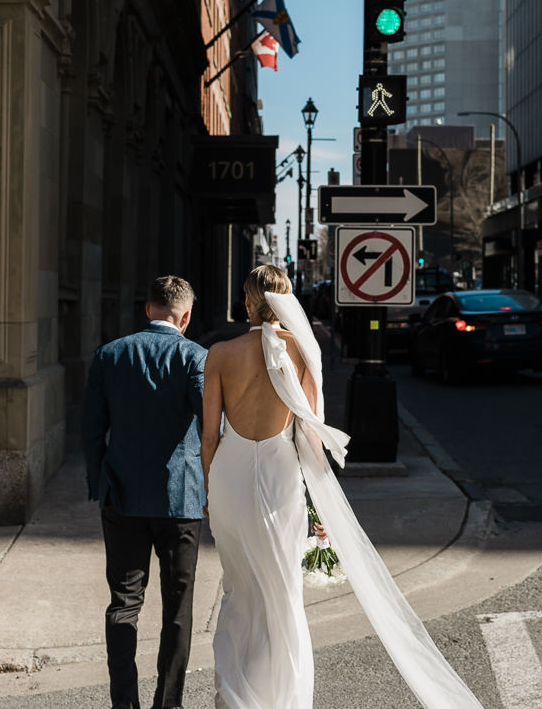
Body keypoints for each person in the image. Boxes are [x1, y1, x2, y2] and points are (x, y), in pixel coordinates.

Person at [201, 264, 485, 709]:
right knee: (281, 593)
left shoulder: (219, 353)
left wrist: (206, 492)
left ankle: (236, 696)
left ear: (246, 302)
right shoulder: (303, 352)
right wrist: (321, 508)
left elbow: (208, 438)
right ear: (286, 298)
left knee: (240, 590)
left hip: (229, 482)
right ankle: (279, 697)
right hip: (278, 481)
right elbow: (311, 434)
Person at [84, 275, 207, 709]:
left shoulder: (110, 354)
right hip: (181, 500)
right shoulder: (194, 357)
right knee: (178, 606)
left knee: (123, 602)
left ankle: (124, 704)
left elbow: (92, 430)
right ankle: (168, 703)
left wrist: (98, 482)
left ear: (147, 308)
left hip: (122, 495)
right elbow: (210, 426)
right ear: (186, 316)